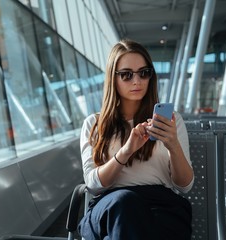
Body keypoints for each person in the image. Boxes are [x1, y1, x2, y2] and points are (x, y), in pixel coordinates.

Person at [78, 39, 194, 240]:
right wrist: (126, 151)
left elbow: (184, 186)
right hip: (110, 207)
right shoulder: (94, 124)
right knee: (126, 204)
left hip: (160, 206)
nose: (137, 81)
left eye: (144, 73)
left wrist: (173, 145)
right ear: (112, 78)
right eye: (126, 75)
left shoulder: (171, 121)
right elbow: (93, 184)